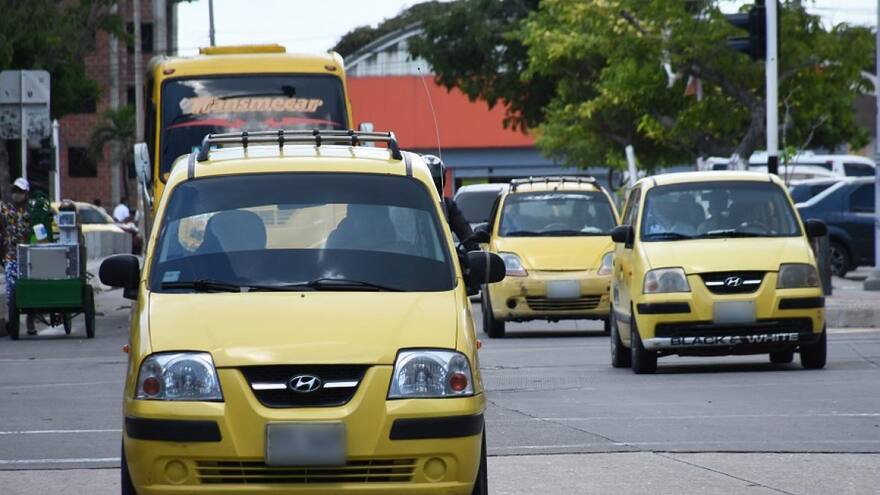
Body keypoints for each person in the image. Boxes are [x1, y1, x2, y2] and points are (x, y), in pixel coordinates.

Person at [421, 154, 478, 251]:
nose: (435, 184)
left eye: (437, 180)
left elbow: (466, 235)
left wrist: (475, 253)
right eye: (431, 180)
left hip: (441, 263)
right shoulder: (404, 205)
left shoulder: (447, 206)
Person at [2, 178, 33, 334]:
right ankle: (12, 322)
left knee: (32, 288)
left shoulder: (32, 211)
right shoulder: (5, 211)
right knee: (11, 290)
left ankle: (31, 321)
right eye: (15, 191)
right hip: (11, 256)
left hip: (32, 257)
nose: (17, 195)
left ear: (26, 194)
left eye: (20, 192)